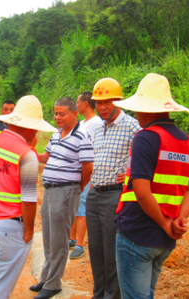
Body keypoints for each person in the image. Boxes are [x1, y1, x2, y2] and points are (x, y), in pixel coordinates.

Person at [0, 95, 57, 299]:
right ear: (31, 127)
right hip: (10, 228)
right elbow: (28, 200)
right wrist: (28, 230)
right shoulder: (27, 155)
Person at [113, 73, 189, 299]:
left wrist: (166, 223)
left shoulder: (145, 137)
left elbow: (142, 192)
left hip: (138, 231)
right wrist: (179, 220)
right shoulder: (186, 141)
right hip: (165, 240)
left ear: (144, 109)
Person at [30, 97, 94, 299]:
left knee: (59, 240)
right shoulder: (57, 134)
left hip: (66, 192)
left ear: (74, 114)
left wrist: (77, 189)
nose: (57, 117)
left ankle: (53, 283)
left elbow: (88, 169)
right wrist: (30, 153)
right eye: (56, 114)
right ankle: (46, 277)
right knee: (49, 237)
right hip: (50, 190)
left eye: (62, 114)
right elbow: (47, 156)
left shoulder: (82, 137)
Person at [86, 78, 141, 299]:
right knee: (96, 251)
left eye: (107, 102)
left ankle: (112, 296)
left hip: (115, 196)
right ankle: (99, 294)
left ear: (118, 101)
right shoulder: (98, 127)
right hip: (94, 193)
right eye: (99, 103)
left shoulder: (132, 126)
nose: (102, 107)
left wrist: (131, 175)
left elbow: (145, 158)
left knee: (112, 252)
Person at [69, 92, 103, 259]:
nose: (77, 105)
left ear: (86, 104)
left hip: (90, 169)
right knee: (76, 204)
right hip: (78, 169)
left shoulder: (97, 123)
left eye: (78, 102)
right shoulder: (82, 123)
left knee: (82, 205)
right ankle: (72, 238)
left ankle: (80, 244)